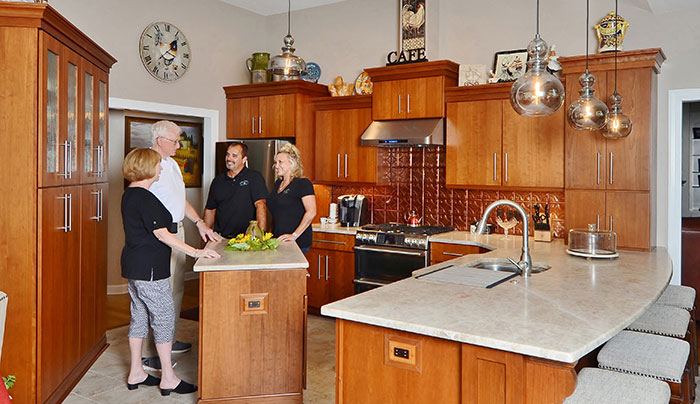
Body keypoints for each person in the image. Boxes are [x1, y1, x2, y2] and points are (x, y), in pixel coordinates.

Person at [121, 148, 219, 395]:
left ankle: (136, 372)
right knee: (163, 318)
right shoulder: (145, 198)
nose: (161, 168)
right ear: (147, 168)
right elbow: (162, 234)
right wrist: (196, 252)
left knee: (140, 317)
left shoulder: (130, 194)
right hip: (151, 268)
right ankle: (169, 378)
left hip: (134, 266)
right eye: (157, 165)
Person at [144, 120, 222, 370]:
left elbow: (181, 200)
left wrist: (199, 222)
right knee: (158, 294)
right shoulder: (148, 165)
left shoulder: (173, 165)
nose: (179, 145)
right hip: (161, 234)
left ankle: (168, 338)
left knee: (176, 289)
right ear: (160, 141)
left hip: (179, 230)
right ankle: (151, 352)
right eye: (175, 141)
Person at [204, 142, 268, 238]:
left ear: (244, 159)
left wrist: (261, 236)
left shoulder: (254, 178)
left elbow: (261, 205)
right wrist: (204, 237)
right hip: (221, 237)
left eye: (234, 156)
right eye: (228, 154)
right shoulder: (218, 181)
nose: (229, 158)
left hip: (246, 239)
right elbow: (210, 210)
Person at [266, 144, 316, 253]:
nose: (276, 166)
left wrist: (294, 235)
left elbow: (311, 211)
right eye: (275, 162)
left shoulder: (302, 183)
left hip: (297, 242)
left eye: (280, 162)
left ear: (292, 163)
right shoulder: (277, 184)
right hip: (279, 241)